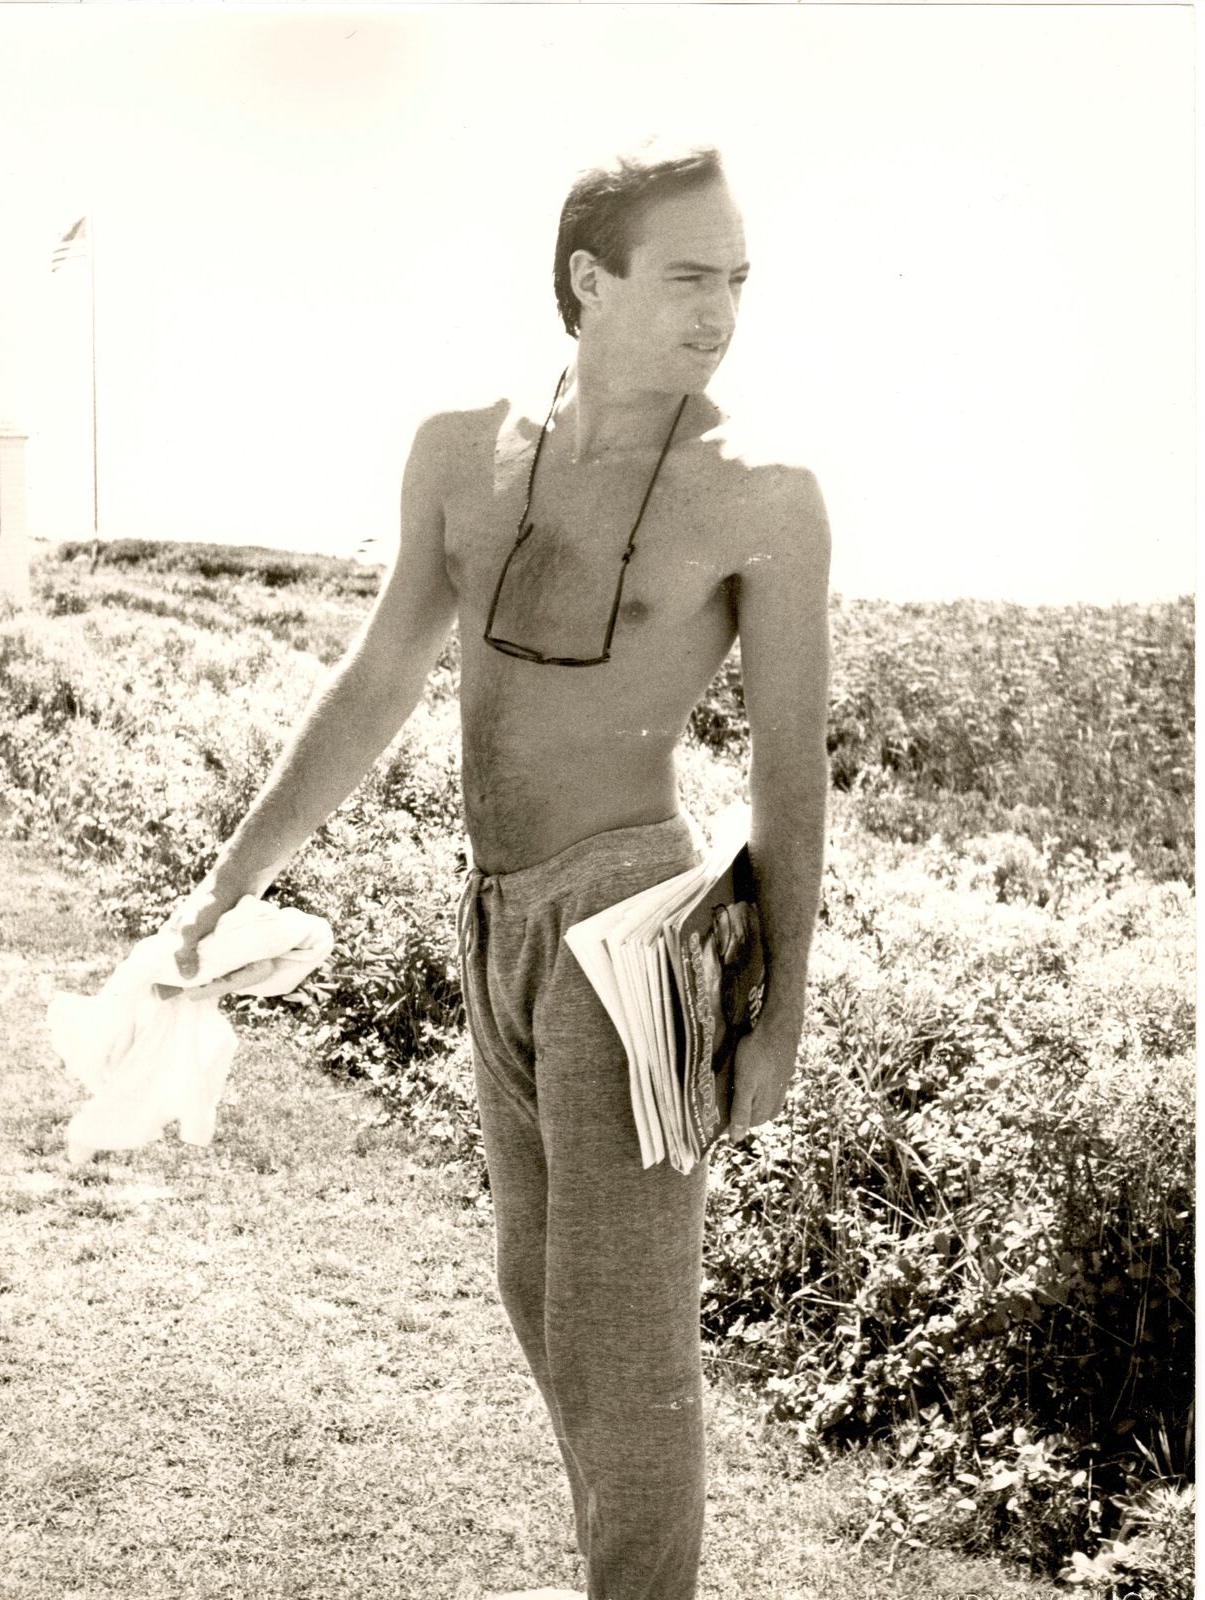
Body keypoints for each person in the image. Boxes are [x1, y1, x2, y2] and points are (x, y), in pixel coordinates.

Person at [167, 139, 830, 1600]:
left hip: (636, 924)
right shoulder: (461, 456)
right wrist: (229, 882)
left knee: (624, 1333)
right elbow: (374, 682)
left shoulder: (762, 493)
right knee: (541, 1297)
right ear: (588, 282)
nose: (722, 309)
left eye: (738, 279)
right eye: (687, 277)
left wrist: (775, 1016)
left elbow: (792, 768)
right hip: (495, 917)